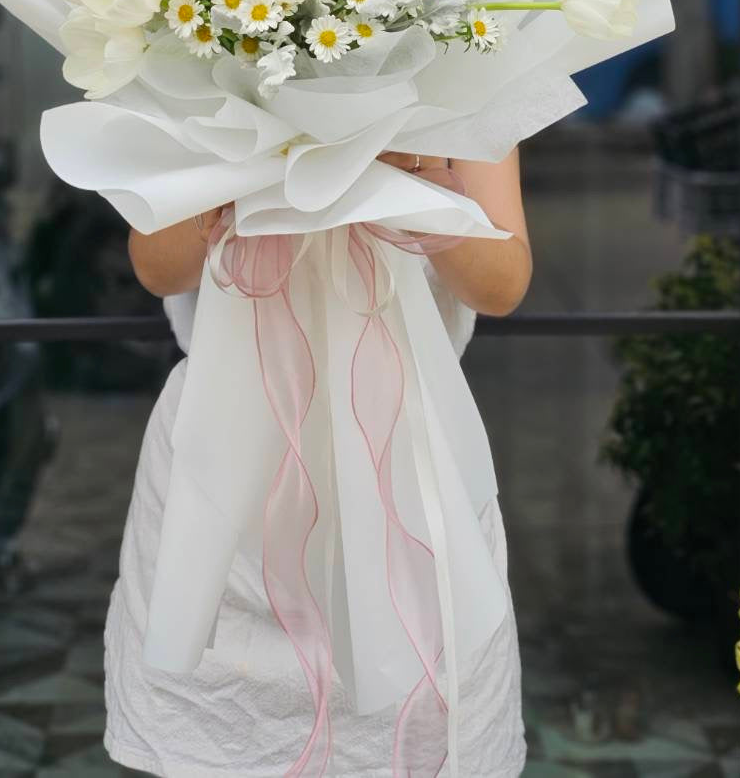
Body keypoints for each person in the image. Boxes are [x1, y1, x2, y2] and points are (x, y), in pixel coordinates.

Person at [104, 150, 532, 778]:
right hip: (225, 484)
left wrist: (409, 183)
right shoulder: (206, 85)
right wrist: (252, 165)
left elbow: (501, 284)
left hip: (407, 471)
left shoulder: (463, 86)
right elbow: (158, 266)